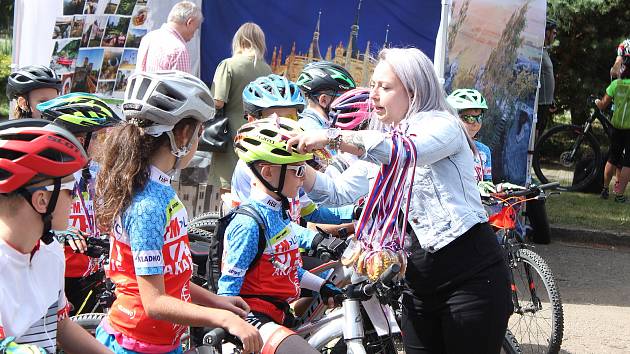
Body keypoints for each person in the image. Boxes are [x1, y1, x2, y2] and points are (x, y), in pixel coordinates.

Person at [287, 47, 512, 354]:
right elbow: (335, 191)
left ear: (413, 89)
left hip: (471, 279)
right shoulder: (384, 140)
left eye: (385, 87)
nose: (374, 95)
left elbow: (403, 152)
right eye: (373, 85)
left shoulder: (442, 126)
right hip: (420, 286)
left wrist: (332, 136)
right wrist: (297, 164)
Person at [93, 70, 262, 353]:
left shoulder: (156, 187)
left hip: (159, 343)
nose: (198, 140)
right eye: (198, 132)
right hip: (136, 345)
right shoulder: (148, 204)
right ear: (182, 135)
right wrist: (223, 318)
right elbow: (155, 301)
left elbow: (172, 277)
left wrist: (216, 300)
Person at [219, 117, 343, 353]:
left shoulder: (278, 213)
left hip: (278, 313)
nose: (303, 178)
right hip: (252, 318)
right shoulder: (248, 224)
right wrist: (233, 330)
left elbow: (286, 269)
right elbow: (227, 290)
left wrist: (323, 286)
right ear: (268, 172)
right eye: (297, 170)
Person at [0, 119, 110, 353]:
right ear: (42, 200)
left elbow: (62, 327)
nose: (75, 200)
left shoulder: (50, 252)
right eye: (70, 191)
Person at [37, 93, 122, 315]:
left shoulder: (92, 172)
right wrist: (59, 232)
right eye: (97, 138)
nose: (102, 145)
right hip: (59, 275)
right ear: (78, 139)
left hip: (90, 273)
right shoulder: (49, 176)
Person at [209, 22, 272, 193]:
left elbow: (217, 101)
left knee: (228, 191)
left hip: (229, 136)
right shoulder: (267, 70)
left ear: (239, 40)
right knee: (251, 187)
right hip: (258, 136)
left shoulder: (228, 65)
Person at [596, 54, 630, 203]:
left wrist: (597, 101)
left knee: (613, 157)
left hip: (616, 127)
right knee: (628, 162)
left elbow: (603, 104)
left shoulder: (616, 84)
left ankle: (604, 189)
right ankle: (620, 196)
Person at [136, 1, 202, 73]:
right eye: (196, 28)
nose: (193, 35)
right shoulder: (178, 50)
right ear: (189, 22)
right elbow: (180, 84)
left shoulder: (148, 37)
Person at [447, 88, 492, 182]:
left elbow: (488, 182)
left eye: (479, 118)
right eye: (469, 118)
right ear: (452, 118)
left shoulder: (484, 151)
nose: (475, 123)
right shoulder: (445, 148)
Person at [296, 61, 357, 131]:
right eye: (343, 99)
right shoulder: (313, 131)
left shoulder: (320, 125)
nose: (348, 104)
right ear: (323, 100)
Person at [536, 19, 558, 138]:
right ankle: (532, 157)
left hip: (545, 102)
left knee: (540, 133)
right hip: (539, 103)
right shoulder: (538, 50)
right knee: (536, 133)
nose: (555, 36)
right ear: (547, 32)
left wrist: (551, 99)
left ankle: (534, 155)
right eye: (553, 33)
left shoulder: (544, 50)